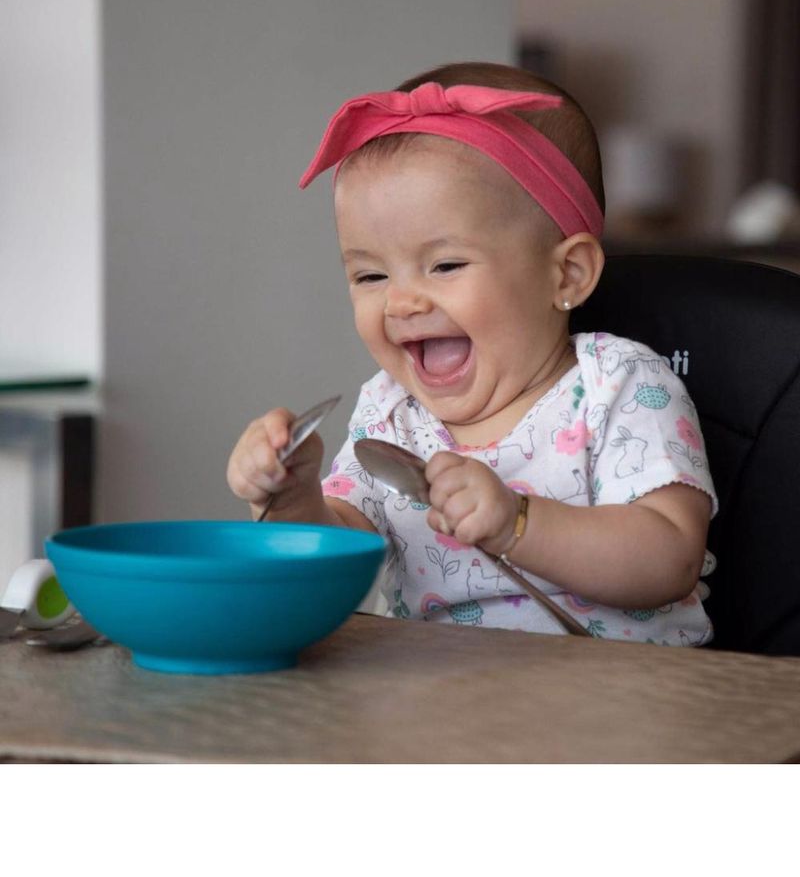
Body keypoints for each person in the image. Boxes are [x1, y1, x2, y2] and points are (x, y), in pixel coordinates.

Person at [227, 62, 718, 644]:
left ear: (568, 273)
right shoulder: (390, 413)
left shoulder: (621, 384)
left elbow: (668, 560)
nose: (403, 301)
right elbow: (339, 552)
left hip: (616, 705)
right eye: (370, 275)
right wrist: (291, 499)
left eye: (446, 265)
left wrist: (518, 523)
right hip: (441, 701)